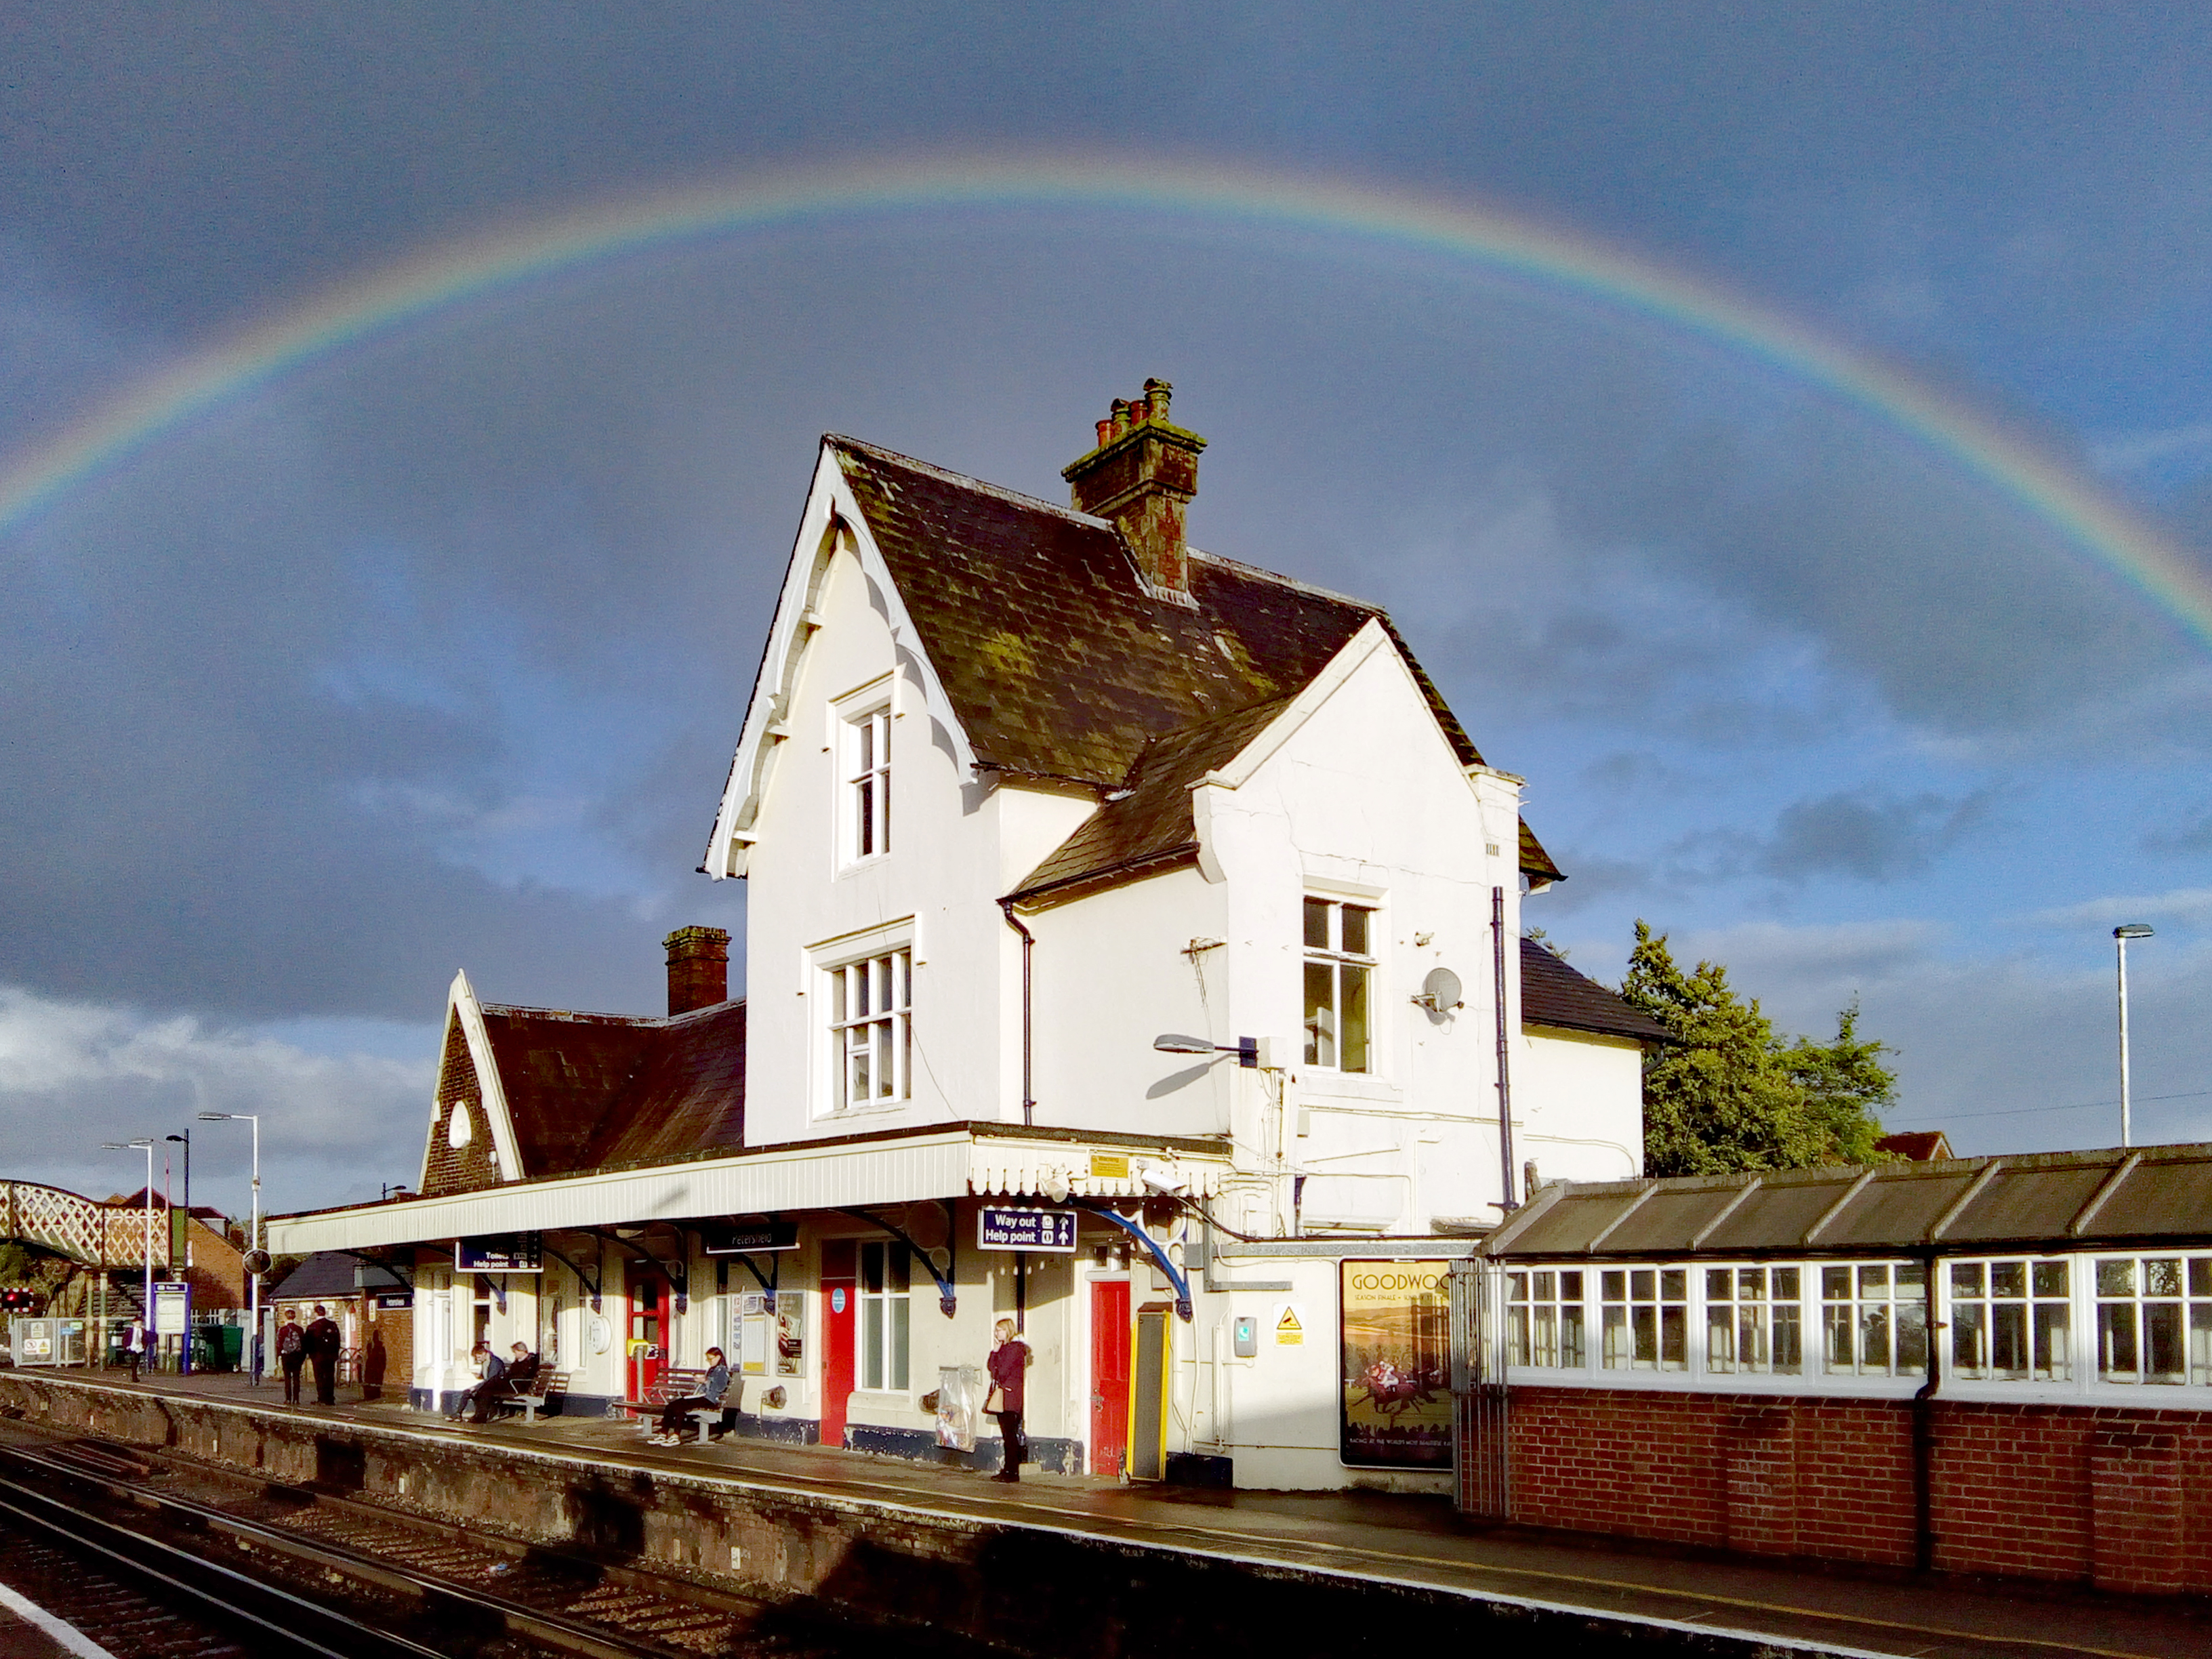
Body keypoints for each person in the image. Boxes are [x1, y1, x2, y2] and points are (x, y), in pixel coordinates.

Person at [649, 1346, 730, 1446]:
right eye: (708, 1359)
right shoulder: (712, 1370)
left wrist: (706, 1381)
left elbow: (720, 1387)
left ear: (718, 1357)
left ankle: (676, 1436)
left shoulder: (722, 1371)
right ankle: (663, 1433)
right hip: (702, 1396)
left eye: (710, 1359)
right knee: (671, 1405)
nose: (709, 1361)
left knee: (681, 1407)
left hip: (710, 1399)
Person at [987, 1319, 1031, 1483]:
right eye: (996, 1330)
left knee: (1010, 1436)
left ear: (1008, 1331)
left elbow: (1002, 1372)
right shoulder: (1004, 1349)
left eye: (1000, 1330)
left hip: (1010, 1398)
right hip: (1004, 1397)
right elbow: (991, 1368)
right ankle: (1008, 1470)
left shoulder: (1014, 1349)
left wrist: (998, 1358)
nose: (997, 1333)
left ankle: (1012, 1471)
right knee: (1007, 1435)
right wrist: (995, 1351)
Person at [467, 1341, 538, 1423]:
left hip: (517, 1386)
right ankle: (479, 1415)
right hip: (511, 1383)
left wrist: (506, 1378)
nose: (514, 1355)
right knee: (485, 1391)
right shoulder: (518, 1361)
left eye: (515, 1352)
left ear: (521, 1351)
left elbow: (523, 1376)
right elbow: (511, 1373)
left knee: (489, 1385)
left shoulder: (530, 1361)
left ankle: (481, 1416)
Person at [446, 1340, 498, 1420]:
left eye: (479, 1357)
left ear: (484, 1353)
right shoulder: (485, 1362)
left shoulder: (495, 1363)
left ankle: (479, 1416)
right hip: (487, 1385)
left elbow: (491, 1379)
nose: (478, 1359)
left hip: (494, 1386)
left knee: (477, 1393)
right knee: (466, 1392)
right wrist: (479, 1376)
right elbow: (486, 1376)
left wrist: (476, 1387)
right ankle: (458, 1413)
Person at [304, 1303, 343, 1406]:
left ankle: (322, 1398)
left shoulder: (312, 1327)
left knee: (320, 1378)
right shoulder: (333, 1325)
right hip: (331, 1356)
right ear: (324, 1312)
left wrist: (309, 1355)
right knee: (330, 1377)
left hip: (317, 1357)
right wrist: (335, 1354)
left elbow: (307, 1343)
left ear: (316, 1313)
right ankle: (330, 1399)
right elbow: (338, 1341)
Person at [276, 1310, 308, 1404]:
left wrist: (279, 1355)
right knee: (296, 1377)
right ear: (294, 1317)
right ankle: (296, 1399)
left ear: (285, 1317)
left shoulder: (283, 1330)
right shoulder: (300, 1329)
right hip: (297, 1356)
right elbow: (304, 1344)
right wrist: (302, 1356)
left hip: (286, 1355)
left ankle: (288, 1398)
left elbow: (279, 1344)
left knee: (287, 1378)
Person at [361, 1328, 388, 1401]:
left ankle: (374, 1394)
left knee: (375, 1381)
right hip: (373, 1367)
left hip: (376, 1367)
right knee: (373, 1380)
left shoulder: (379, 1348)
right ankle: (371, 1394)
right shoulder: (375, 1347)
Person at [123, 1316, 145, 1383]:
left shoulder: (143, 1331)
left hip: (140, 1348)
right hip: (132, 1347)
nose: (139, 1325)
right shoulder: (130, 1331)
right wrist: (126, 1346)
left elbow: (145, 1339)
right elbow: (125, 1339)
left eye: (140, 1323)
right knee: (134, 1362)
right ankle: (134, 1377)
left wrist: (144, 1347)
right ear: (134, 1324)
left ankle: (135, 1375)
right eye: (138, 1323)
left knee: (137, 1362)